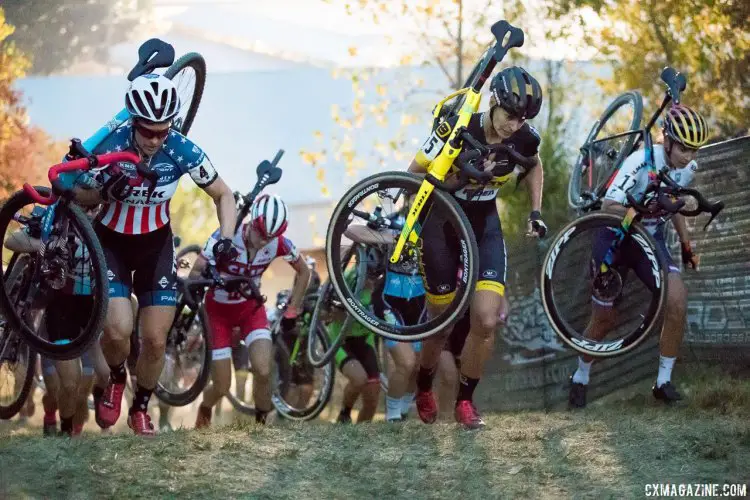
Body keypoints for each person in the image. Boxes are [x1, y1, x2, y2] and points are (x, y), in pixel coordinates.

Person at [64, 74, 237, 436]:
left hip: (155, 245)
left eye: (163, 131)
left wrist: (227, 238)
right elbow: (73, 194)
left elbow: (224, 194)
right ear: (133, 121)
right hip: (109, 243)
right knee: (117, 331)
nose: (156, 139)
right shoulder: (110, 141)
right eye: (148, 132)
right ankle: (115, 377)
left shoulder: (181, 148)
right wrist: (103, 194)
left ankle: (140, 407)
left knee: (156, 340)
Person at [409, 66, 547, 429]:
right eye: (509, 115)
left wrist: (535, 210)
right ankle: (422, 385)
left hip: (485, 224)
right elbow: (412, 177)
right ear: (493, 102)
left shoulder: (524, 139)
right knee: (441, 323)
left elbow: (534, 166)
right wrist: (458, 177)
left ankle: (465, 402)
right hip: (442, 224)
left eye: (522, 120)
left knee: (485, 320)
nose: (513, 125)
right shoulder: (458, 127)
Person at [569, 104, 709, 408]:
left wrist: (687, 246)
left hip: (649, 240)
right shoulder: (640, 161)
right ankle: (580, 376)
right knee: (604, 319)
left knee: (677, 300)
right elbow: (609, 207)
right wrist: (647, 208)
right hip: (615, 237)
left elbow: (673, 207)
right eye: (684, 147)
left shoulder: (688, 169)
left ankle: (663, 382)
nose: (688, 156)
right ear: (667, 141)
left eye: (694, 150)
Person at [192, 194, 311, 428]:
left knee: (263, 369)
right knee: (222, 386)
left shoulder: (278, 243)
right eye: (260, 232)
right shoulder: (226, 235)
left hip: (250, 310)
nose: (263, 241)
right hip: (218, 313)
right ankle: (204, 409)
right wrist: (210, 277)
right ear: (252, 220)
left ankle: (261, 427)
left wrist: (292, 310)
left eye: (270, 237)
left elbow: (304, 272)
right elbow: (195, 273)